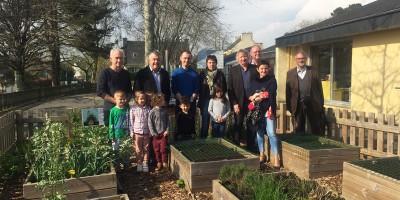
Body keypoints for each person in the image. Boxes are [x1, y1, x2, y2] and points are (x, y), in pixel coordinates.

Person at [133, 50, 171, 167]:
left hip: (161, 109)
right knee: (149, 134)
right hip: (147, 109)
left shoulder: (165, 73)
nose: (156, 61)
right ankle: (149, 160)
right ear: (149, 61)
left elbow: (167, 90)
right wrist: (144, 103)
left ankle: (161, 159)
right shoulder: (141, 74)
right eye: (154, 59)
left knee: (161, 133)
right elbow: (137, 91)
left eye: (158, 59)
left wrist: (165, 103)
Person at [248, 60, 279, 169]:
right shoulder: (254, 80)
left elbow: (271, 93)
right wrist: (254, 97)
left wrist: (258, 95)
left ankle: (276, 157)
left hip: (269, 109)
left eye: (266, 68)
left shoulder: (272, 79)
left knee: (271, 133)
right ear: (258, 69)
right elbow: (250, 95)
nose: (264, 70)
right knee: (259, 132)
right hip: (258, 110)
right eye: (261, 68)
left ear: (268, 69)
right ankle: (262, 153)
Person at [286, 51, 324, 135]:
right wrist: (289, 106)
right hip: (298, 104)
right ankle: (301, 145)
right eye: (299, 58)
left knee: (315, 126)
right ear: (295, 60)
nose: (301, 60)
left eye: (303, 58)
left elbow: (319, 89)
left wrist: (321, 104)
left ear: (306, 59)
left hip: (312, 103)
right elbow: (288, 91)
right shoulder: (290, 73)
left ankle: (315, 144)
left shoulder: (314, 71)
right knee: (299, 127)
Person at [227, 49, 258, 146]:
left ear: (248, 57)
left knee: (251, 124)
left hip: (251, 102)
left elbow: (259, 84)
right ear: (237, 59)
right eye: (241, 57)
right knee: (238, 123)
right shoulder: (233, 70)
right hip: (239, 102)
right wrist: (234, 103)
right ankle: (236, 145)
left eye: (245, 56)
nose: (243, 58)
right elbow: (229, 88)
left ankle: (251, 145)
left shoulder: (254, 69)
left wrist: (256, 98)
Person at [97, 48, 132, 126]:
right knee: (111, 135)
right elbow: (100, 91)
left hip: (124, 109)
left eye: (121, 58)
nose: (119, 60)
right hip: (110, 110)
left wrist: (126, 101)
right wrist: (116, 101)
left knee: (125, 134)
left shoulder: (126, 74)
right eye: (117, 58)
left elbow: (130, 91)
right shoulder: (105, 73)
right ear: (110, 58)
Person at [198, 55, 227, 139]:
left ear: (216, 63)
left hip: (217, 100)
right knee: (205, 122)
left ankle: (217, 141)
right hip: (206, 100)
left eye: (213, 62)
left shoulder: (220, 74)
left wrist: (223, 99)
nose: (211, 64)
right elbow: (199, 88)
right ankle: (203, 141)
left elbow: (224, 87)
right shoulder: (202, 74)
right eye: (210, 62)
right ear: (207, 63)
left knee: (218, 122)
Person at [171, 50, 200, 115]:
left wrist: (189, 101)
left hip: (191, 105)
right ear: (180, 58)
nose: (187, 60)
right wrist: (182, 101)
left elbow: (196, 90)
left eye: (188, 58)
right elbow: (174, 89)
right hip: (180, 105)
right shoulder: (175, 74)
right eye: (185, 58)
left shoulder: (195, 74)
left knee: (191, 124)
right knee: (180, 124)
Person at [129, 91, 151, 173]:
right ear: (136, 99)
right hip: (137, 133)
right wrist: (132, 132)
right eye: (141, 99)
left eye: (144, 98)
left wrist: (150, 131)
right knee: (138, 149)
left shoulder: (148, 109)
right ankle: (139, 163)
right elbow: (131, 121)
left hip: (146, 132)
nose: (143, 100)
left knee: (146, 148)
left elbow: (150, 121)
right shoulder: (133, 109)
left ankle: (145, 163)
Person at [108, 90, 130, 169]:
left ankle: (126, 164)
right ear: (115, 99)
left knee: (126, 150)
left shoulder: (127, 109)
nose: (122, 101)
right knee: (116, 150)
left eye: (124, 99)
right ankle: (117, 166)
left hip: (126, 134)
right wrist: (111, 134)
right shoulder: (113, 111)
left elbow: (130, 121)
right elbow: (111, 123)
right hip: (116, 134)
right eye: (120, 99)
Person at [148, 93, 169, 171]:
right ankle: (159, 162)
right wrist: (153, 133)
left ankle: (164, 162)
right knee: (156, 150)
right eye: (163, 100)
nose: (164, 101)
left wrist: (167, 130)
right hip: (155, 136)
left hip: (163, 134)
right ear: (158, 102)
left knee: (163, 149)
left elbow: (168, 122)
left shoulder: (165, 111)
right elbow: (150, 123)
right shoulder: (152, 111)